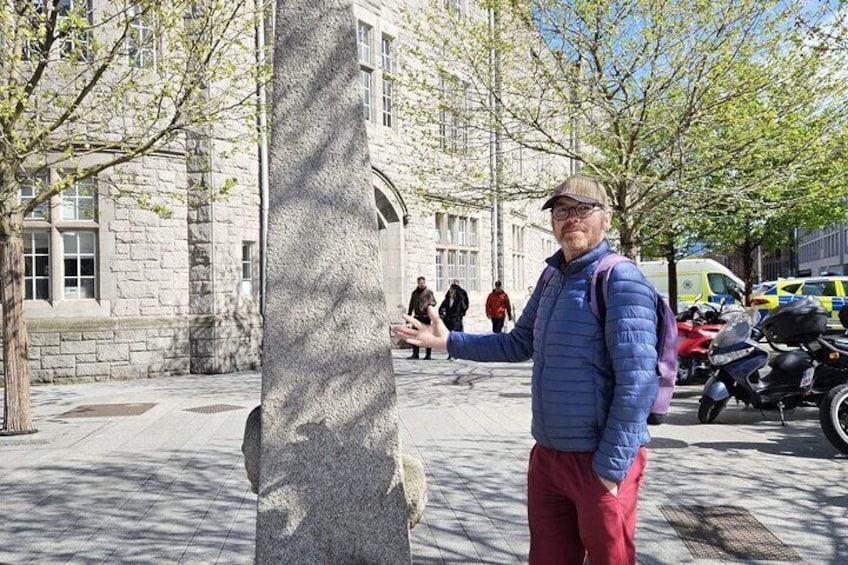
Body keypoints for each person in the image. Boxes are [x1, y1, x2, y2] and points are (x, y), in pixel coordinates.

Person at [395, 174, 659, 565]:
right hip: (549, 458)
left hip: (599, 460)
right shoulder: (552, 277)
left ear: (606, 219)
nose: (571, 218)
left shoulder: (620, 279)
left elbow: (637, 382)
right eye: (562, 210)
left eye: (583, 209)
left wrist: (610, 467)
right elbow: (518, 343)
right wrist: (448, 341)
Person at [406, 276, 436, 360]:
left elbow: (434, 302)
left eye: (423, 283)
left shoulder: (429, 292)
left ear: (424, 283)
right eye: (420, 283)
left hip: (426, 317)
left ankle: (428, 354)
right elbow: (411, 305)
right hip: (416, 317)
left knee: (427, 336)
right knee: (415, 335)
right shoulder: (414, 293)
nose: (422, 284)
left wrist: (429, 303)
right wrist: (408, 316)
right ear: (418, 283)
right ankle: (415, 354)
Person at [439, 284, 468, 360]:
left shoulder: (459, 300)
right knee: (450, 339)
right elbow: (441, 308)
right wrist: (442, 314)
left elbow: (464, 308)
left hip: (456, 321)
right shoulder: (446, 300)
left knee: (457, 338)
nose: (451, 293)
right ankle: (451, 353)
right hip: (448, 321)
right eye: (450, 291)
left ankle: (458, 354)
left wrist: (460, 315)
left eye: (453, 291)